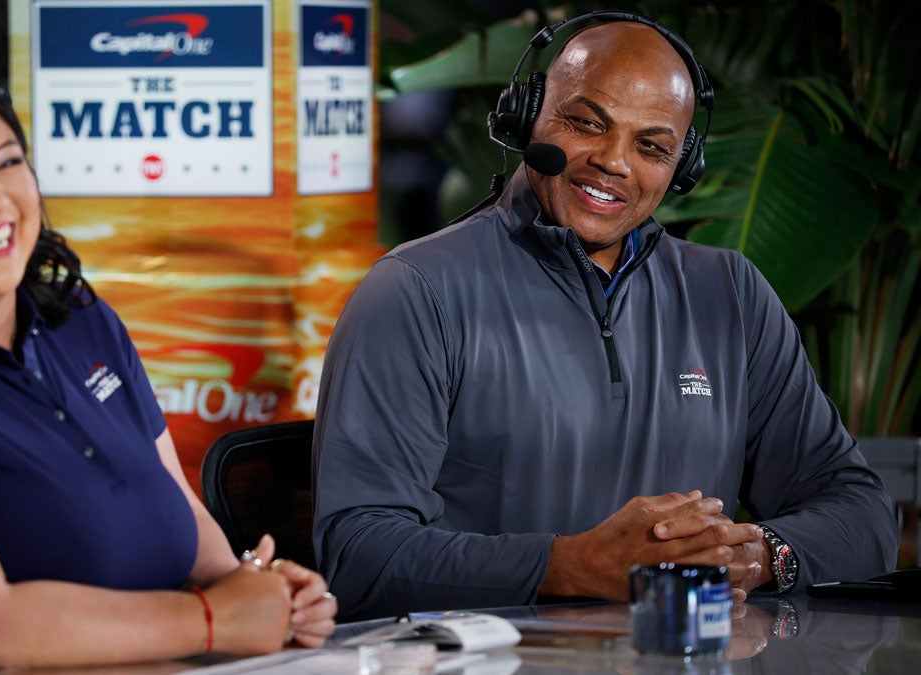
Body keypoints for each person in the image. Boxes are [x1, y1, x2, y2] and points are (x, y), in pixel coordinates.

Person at [311, 15, 898, 621]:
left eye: (652, 146)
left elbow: (862, 512)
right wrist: (569, 566)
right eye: (587, 123)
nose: (614, 162)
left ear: (682, 167)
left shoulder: (729, 292)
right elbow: (359, 556)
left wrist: (757, 554)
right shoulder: (415, 290)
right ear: (528, 116)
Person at [0, 54, 336, 674]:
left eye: (8, 162)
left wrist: (260, 591)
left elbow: (181, 511)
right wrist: (216, 621)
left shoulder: (81, 320)